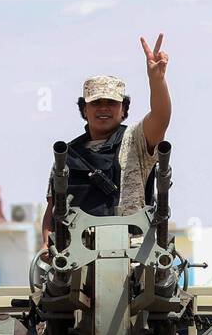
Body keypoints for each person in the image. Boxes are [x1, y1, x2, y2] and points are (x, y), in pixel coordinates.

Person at [41, 33, 171, 253]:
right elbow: (53, 210)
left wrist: (156, 80)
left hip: (133, 250)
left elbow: (160, 116)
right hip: (79, 253)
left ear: (123, 109)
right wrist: (47, 246)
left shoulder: (135, 140)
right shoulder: (67, 155)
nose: (103, 108)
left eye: (111, 103)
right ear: (84, 109)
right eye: (96, 103)